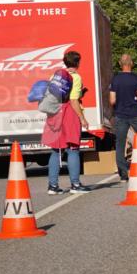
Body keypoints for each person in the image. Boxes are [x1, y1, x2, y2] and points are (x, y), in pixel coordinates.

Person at [43, 51, 91, 194]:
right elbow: (74, 100)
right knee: (73, 149)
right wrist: (82, 118)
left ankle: (52, 186)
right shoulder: (75, 77)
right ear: (77, 62)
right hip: (69, 113)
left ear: (65, 62)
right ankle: (75, 185)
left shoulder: (55, 76)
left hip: (55, 113)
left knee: (55, 150)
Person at [109, 54, 137, 182]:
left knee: (120, 144)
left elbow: (112, 100)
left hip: (120, 115)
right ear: (132, 63)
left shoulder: (115, 80)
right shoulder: (136, 79)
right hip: (136, 114)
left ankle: (123, 174)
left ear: (119, 63)